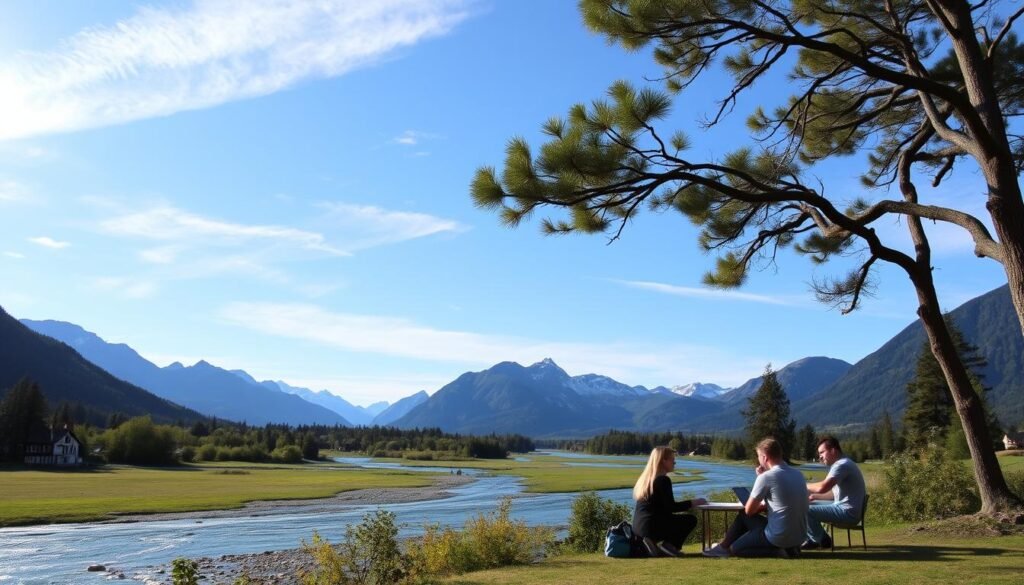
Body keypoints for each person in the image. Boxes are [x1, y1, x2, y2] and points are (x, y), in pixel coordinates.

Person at [703, 437, 808, 558]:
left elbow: (749, 510)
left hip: (779, 537)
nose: (758, 460)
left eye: (758, 456)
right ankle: (789, 549)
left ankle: (775, 551)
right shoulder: (798, 474)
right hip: (799, 537)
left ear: (764, 457)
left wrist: (760, 479)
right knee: (747, 518)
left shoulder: (767, 477)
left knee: (736, 547)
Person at [632, 446, 706, 557]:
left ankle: (653, 544)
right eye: (672, 460)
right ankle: (669, 546)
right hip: (651, 527)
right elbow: (671, 507)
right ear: (664, 461)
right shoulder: (663, 480)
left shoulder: (646, 480)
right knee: (690, 520)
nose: (675, 463)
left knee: (670, 519)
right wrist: (693, 502)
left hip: (638, 528)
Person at [803, 435, 866, 549]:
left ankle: (821, 540)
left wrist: (801, 485)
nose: (820, 457)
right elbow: (833, 494)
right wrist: (814, 497)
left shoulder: (841, 465)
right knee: (806, 505)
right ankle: (814, 539)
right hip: (845, 509)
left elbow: (823, 487)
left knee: (804, 509)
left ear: (833, 450)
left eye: (822, 452)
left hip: (847, 512)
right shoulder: (845, 463)